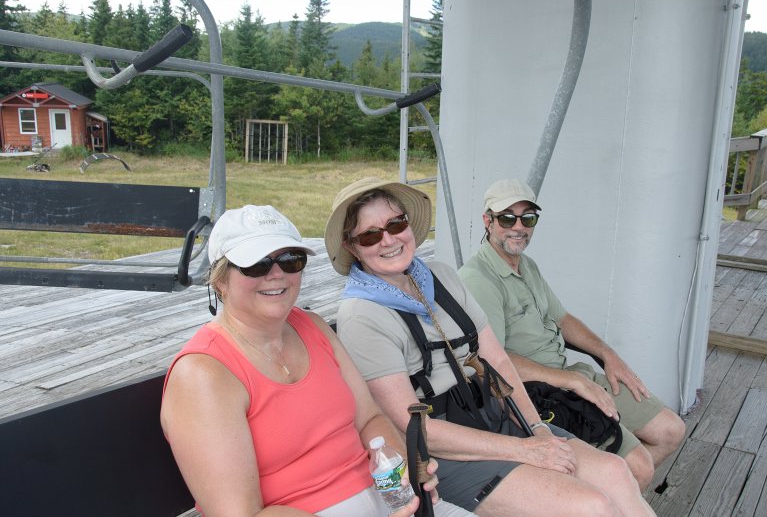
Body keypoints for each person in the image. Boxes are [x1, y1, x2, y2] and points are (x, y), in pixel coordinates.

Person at [325, 177, 655, 516]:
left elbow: (497, 359)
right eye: (370, 235)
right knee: (591, 506)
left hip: (494, 418)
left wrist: (537, 429)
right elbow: (416, 428)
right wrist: (523, 450)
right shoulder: (361, 315)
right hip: (443, 453)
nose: (389, 239)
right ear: (352, 247)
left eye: (397, 223)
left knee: (617, 473)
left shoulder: (441, 277)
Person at [161, 204, 473, 517]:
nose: (277, 274)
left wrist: (401, 470)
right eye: (256, 265)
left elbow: (369, 419)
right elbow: (239, 514)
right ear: (220, 281)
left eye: (290, 260)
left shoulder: (312, 326)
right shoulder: (203, 375)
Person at [458, 178, 686, 491]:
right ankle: (604, 496)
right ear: (488, 221)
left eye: (528, 218)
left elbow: (563, 319)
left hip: (569, 375)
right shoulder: (478, 279)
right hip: (536, 392)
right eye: (507, 217)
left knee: (670, 431)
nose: (518, 227)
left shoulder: (527, 265)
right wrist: (572, 382)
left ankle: (606, 498)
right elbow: (491, 360)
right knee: (638, 467)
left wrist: (609, 355)